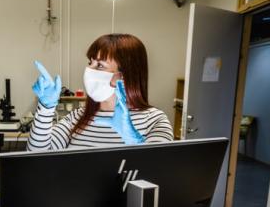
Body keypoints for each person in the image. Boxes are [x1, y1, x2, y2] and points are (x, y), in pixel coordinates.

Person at [27, 33, 173, 151]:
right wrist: (46, 109)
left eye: (100, 65)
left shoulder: (154, 120)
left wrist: (133, 141)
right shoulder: (77, 117)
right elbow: (36, 156)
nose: (89, 70)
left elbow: (155, 172)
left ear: (125, 75)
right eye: (90, 63)